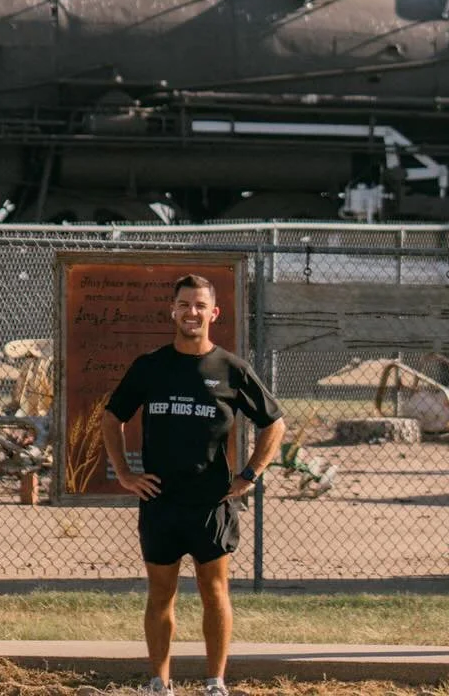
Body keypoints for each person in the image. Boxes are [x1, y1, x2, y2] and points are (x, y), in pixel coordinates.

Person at [100, 273, 285, 696]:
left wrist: (249, 475)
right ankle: (158, 683)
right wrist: (126, 475)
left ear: (214, 313)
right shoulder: (150, 366)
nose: (192, 312)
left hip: (210, 503)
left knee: (214, 591)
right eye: (184, 304)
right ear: (172, 310)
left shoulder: (231, 369)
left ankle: (215, 682)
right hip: (161, 504)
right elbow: (112, 418)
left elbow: (273, 424)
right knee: (160, 594)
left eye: (200, 305)